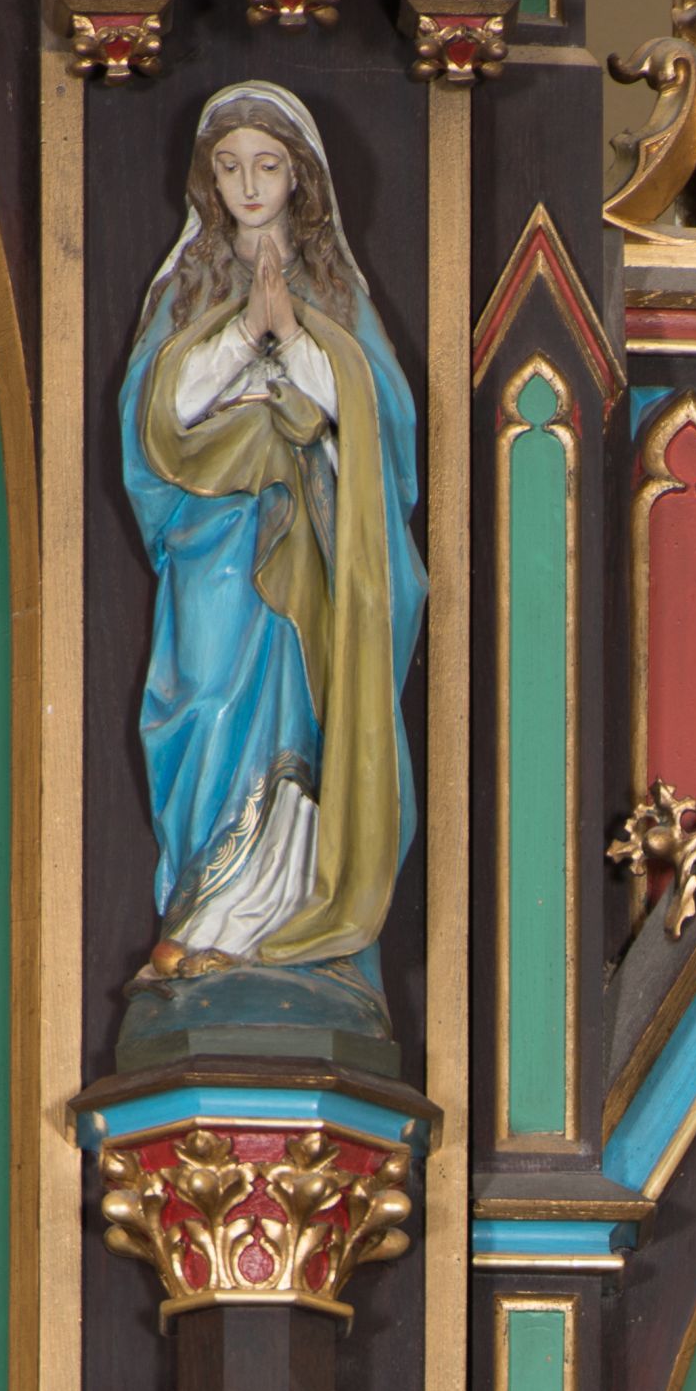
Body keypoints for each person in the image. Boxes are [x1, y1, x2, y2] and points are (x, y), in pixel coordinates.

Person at [118, 85, 422, 1014]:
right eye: (229, 167)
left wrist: (292, 331)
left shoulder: (332, 291)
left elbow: (381, 424)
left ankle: (284, 920)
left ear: (300, 179)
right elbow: (156, 416)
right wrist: (242, 332)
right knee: (207, 704)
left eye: (267, 165)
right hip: (212, 549)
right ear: (208, 182)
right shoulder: (188, 288)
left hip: (309, 557)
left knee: (301, 723)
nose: (248, 185)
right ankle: (203, 915)